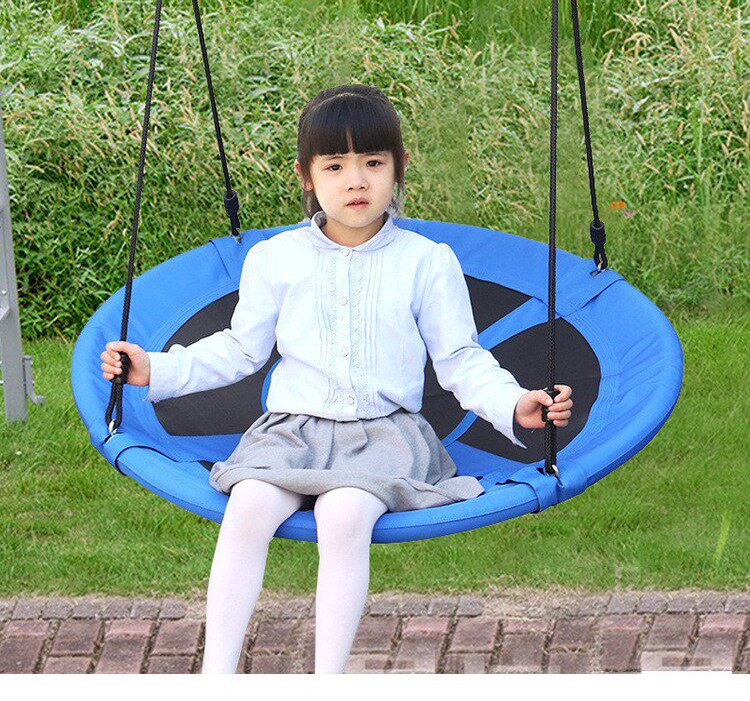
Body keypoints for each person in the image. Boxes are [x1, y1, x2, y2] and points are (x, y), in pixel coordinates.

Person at [100, 84, 573, 674]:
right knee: (247, 506)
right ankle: (216, 675)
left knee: (345, 515)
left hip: (384, 436)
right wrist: (157, 368)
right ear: (306, 176)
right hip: (290, 433)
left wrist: (513, 402)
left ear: (399, 167)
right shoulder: (276, 258)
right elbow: (240, 349)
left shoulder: (426, 261)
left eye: (373, 163)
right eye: (335, 166)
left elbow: (459, 358)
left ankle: (329, 679)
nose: (356, 181)